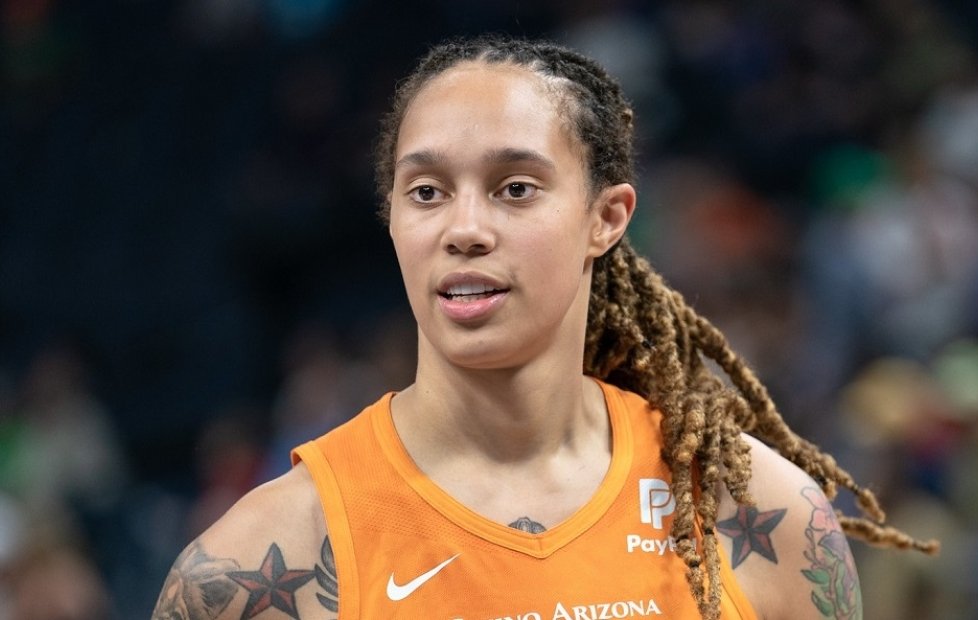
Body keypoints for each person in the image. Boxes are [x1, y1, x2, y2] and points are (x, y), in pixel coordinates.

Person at [151, 35, 937, 620]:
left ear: (606, 218)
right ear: (390, 218)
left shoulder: (762, 514)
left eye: (515, 187)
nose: (464, 228)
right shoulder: (259, 564)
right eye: (425, 191)